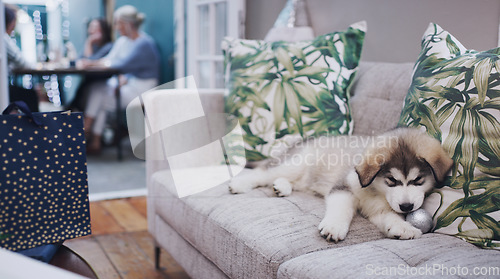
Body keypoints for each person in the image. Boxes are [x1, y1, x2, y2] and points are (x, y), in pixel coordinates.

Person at [78, 5, 160, 154]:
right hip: (129, 84)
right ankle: (93, 139)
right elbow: (111, 60)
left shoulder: (144, 43)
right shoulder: (124, 41)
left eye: (118, 23)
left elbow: (121, 65)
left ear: (127, 24)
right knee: (99, 91)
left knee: (99, 92)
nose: (116, 27)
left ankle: (86, 132)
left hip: (142, 89)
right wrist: (95, 63)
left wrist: (92, 63)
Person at [4, 4, 39, 111]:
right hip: (3, 89)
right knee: (30, 95)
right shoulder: (4, 38)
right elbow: (21, 62)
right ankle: (34, 126)